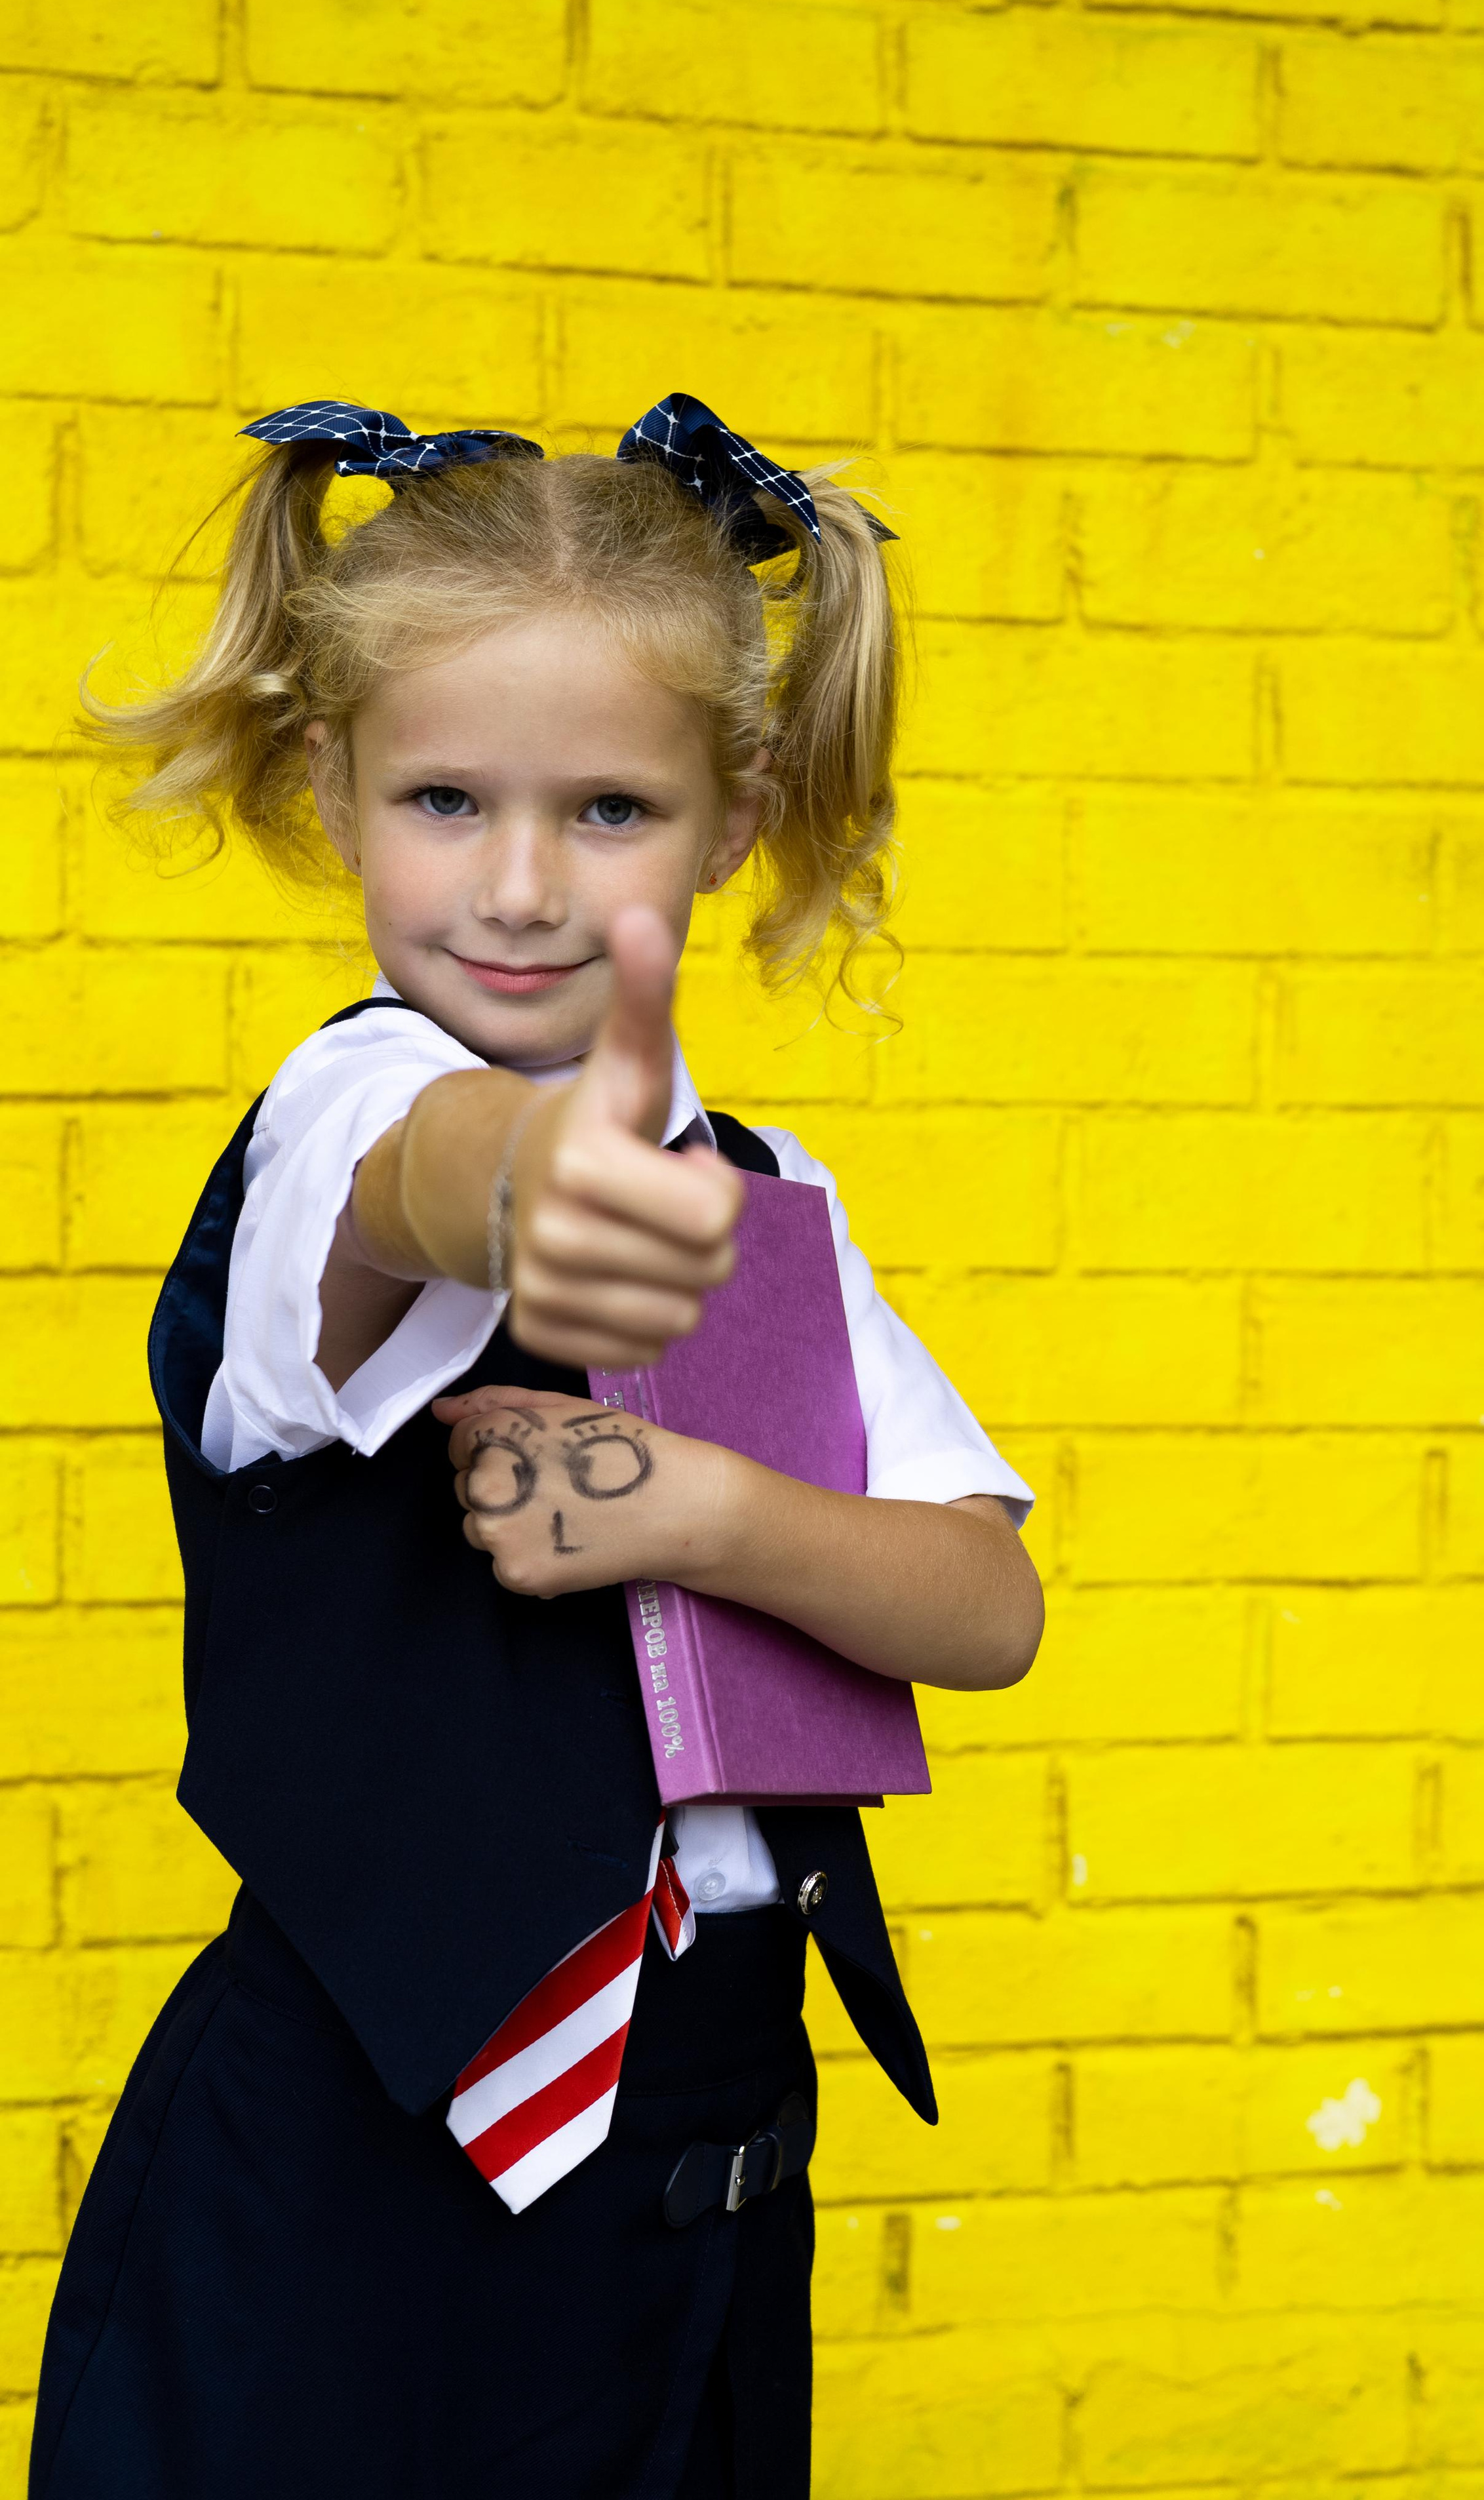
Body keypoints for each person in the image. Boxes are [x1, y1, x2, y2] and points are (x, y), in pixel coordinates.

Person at [31, 395, 1044, 2500]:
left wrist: (711, 1510)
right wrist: (529, 1191)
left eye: (606, 812)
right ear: (333, 789)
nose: (517, 885)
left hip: (707, 2162)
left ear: (731, 818)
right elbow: (424, 1176)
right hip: (359, 2182)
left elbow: (984, 1603)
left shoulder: (759, 1202)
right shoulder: (352, 1109)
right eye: (443, 799)